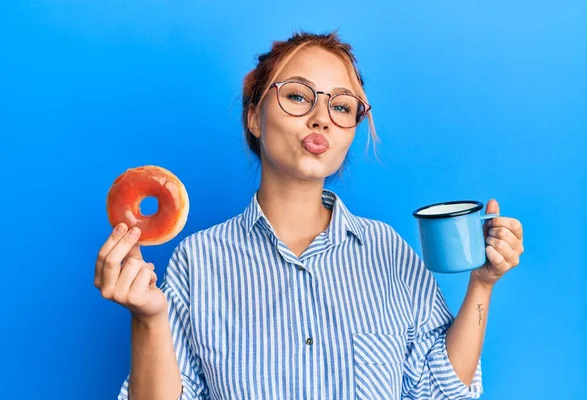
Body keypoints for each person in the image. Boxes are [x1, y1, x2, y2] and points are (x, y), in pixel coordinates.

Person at [95, 30, 525, 400]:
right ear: (254, 118)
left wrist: (483, 283)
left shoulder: (388, 251)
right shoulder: (199, 261)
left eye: (341, 106)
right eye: (298, 96)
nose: (321, 118)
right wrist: (148, 317)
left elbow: (440, 389)